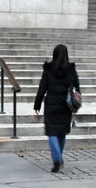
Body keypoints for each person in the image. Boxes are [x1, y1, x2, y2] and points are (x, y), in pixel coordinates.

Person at [33, 45, 81, 173]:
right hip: (66, 106)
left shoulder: (48, 69)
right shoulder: (71, 69)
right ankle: (59, 156)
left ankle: (57, 159)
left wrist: (37, 104)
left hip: (51, 105)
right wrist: (76, 104)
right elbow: (77, 87)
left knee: (51, 132)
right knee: (62, 132)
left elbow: (42, 88)